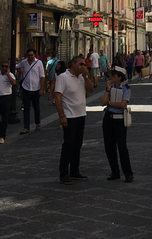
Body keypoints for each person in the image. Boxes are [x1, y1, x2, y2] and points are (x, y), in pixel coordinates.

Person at [54, 55, 94, 184]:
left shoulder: (81, 78)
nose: (83, 67)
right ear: (73, 64)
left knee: (77, 145)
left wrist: (86, 77)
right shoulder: (63, 77)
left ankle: (74, 170)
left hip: (81, 114)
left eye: (84, 65)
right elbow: (58, 97)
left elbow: (91, 89)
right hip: (69, 116)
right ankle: (64, 173)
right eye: (81, 64)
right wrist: (62, 116)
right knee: (68, 145)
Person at [100, 65, 133, 182]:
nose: (111, 76)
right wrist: (108, 90)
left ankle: (128, 173)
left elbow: (122, 104)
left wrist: (110, 103)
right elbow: (102, 102)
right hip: (108, 118)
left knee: (122, 147)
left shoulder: (126, 88)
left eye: (113, 75)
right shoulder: (109, 87)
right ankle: (114, 171)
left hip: (119, 119)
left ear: (119, 77)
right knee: (109, 147)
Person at [16, 47, 45, 134]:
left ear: (34, 55)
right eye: (29, 55)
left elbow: (42, 76)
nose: (30, 57)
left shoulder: (39, 63)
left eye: (32, 55)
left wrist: (41, 88)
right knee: (26, 108)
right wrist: (22, 72)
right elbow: (17, 66)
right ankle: (26, 127)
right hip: (26, 87)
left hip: (36, 88)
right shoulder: (24, 62)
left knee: (36, 107)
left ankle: (37, 123)